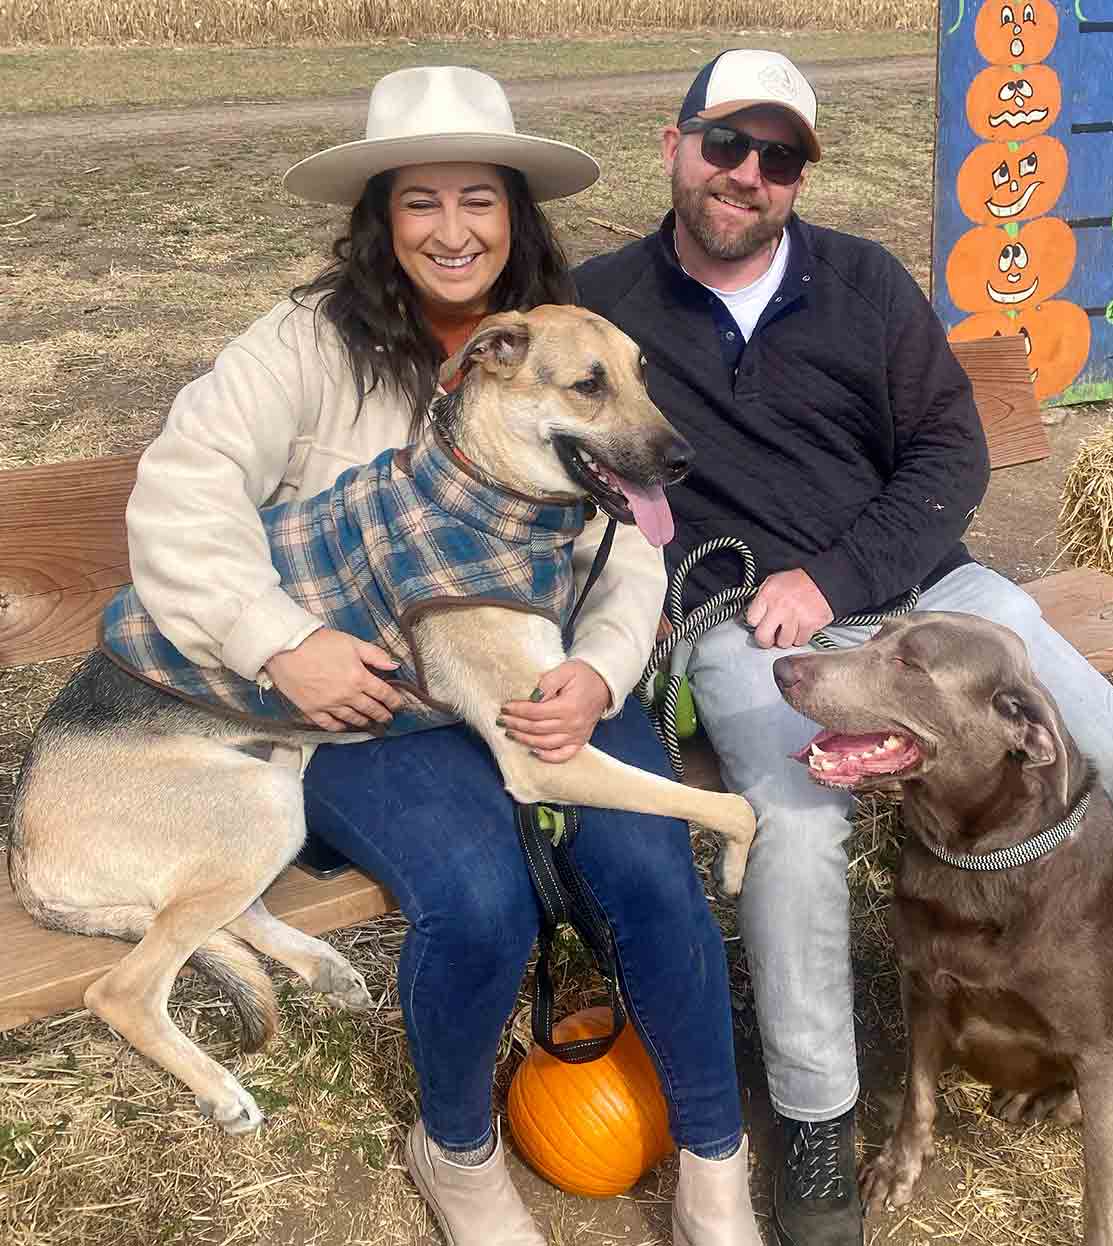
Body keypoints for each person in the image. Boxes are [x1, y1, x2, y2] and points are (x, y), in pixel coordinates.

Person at [122, 66, 763, 1246]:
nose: (453, 230)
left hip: (544, 664)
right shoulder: (305, 346)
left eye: (480, 198)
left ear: (515, 213)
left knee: (647, 861)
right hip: (366, 694)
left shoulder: (571, 338)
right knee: (476, 894)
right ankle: (457, 1147)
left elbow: (629, 543)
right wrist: (287, 640)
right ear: (382, 218)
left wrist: (605, 670)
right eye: (422, 202)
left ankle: (715, 1164)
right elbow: (181, 496)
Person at [575, 49, 1113, 1246]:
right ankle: (817, 1121)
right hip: (745, 626)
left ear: (799, 176)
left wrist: (839, 575)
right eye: (726, 144)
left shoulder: (863, 284)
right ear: (674, 145)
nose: (747, 175)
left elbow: (950, 454)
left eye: (778, 156)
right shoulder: (607, 304)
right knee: (792, 822)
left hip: (922, 593)